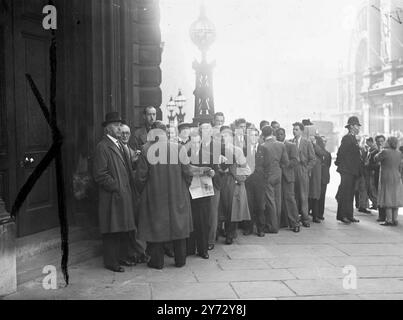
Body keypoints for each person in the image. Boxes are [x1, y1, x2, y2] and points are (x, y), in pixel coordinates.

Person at [135, 122, 194, 269]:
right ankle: (180, 260)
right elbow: (188, 173)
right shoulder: (179, 148)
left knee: (155, 227)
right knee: (179, 226)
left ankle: (157, 262)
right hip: (178, 193)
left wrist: (143, 192)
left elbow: (140, 177)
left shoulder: (146, 149)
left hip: (154, 194)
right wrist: (182, 188)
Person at [93, 112, 138, 272]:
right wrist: (117, 187)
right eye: (116, 125)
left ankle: (122, 257)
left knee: (121, 228)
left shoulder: (119, 144)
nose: (120, 128)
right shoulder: (103, 146)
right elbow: (100, 174)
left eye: (120, 125)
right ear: (107, 128)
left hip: (123, 195)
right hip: (112, 196)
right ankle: (111, 262)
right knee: (112, 229)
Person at [119, 124, 150, 264]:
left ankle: (139, 252)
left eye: (127, 133)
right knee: (129, 223)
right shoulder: (118, 148)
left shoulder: (130, 149)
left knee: (136, 222)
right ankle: (133, 252)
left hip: (134, 192)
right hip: (124, 191)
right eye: (123, 133)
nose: (125, 135)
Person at [220, 126, 251, 244]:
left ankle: (231, 233)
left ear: (232, 137)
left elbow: (246, 169)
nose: (224, 138)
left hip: (233, 181)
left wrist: (233, 170)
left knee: (233, 208)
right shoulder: (217, 149)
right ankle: (220, 231)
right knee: (223, 208)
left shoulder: (237, 150)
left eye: (226, 135)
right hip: (222, 181)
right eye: (222, 136)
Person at [256, 126, 289, 234]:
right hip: (278, 174)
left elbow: (259, 164)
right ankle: (277, 224)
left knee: (270, 201)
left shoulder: (263, 146)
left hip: (268, 175)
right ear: (272, 133)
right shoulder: (281, 144)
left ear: (263, 134)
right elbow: (285, 162)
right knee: (278, 200)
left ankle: (273, 227)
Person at [335, 116, 362, 224]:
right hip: (347, 170)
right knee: (345, 193)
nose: (358, 128)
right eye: (356, 126)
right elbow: (341, 153)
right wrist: (342, 166)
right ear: (351, 126)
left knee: (350, 193)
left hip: (352, 171)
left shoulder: (353, 138)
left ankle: (349, 215)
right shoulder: (347, 138)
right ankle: (342, 216)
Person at [276, 128, 300, 233]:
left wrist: (284, 166)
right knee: (279, 200)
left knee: (290, 199)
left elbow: (295, 160)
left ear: (285, 135)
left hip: (288, 177)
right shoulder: (275, 146)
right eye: (277, 135)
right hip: (277, 177)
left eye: (281, 134)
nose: (279, 136)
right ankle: (283, 222)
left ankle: (295, 223)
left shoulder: (291, 146)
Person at [375, 136, 403, 226]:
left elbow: (376, 158)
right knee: (395, 198)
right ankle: (395, 219)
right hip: (397, 177)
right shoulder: (399, 153)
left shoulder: (385, 152)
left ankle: (389, 220)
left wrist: (380, 150)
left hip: (386, 177)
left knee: (387, 197)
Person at [292, 122, 316, 228]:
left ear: (301, 130)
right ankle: (295, 217)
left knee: (303, 195)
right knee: (294, 195)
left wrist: (306, 170)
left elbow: (313, 159)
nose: (294, 131)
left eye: (296, 129)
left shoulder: (307, 142)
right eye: (293, 129)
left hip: (302, 169)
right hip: (293, 171)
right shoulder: (291, 142)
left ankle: (305, 218)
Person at [244, 127, 265, 236]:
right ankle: (249, 228)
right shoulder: (244, 150)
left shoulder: (263, 149)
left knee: (260, 205)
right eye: (251, 135)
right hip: (248, 181)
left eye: (255, 135)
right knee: (249, 205)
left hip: (260, 182)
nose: (253, 137)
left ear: (258, 136)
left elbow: (267, 166)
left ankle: (261, 229)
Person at [308, 135, 327, 223]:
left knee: (315, 195)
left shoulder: (319, 151)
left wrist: (314, 144)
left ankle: (315, 215)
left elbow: (322, 152)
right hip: (310, 175)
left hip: (315, 176)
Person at [369, 135, 386, 222]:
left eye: (382, 141)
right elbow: (369, 165)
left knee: (386, 196)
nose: (380, 143)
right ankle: (381, 215)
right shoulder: (373, 153)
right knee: (379, 196)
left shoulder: (387, 152)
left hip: (386, 177)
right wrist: (377, 165)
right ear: (376, 142)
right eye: (378, 141)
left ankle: (388, 215)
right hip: (377, 176)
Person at [318, 136, 331, 220]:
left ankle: (320, 213)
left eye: (325, 141)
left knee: (322, 196)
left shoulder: (327, 154)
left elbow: (328, 165)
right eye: (322, 141)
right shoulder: (318, 152)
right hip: (318, 177)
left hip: (324, 177)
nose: (324, 143)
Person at [364, 137, 378, 210]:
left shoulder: (374, 150)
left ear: (370, 142)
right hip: (369, 170)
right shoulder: (370, 149)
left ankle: (375, 203)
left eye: (367, 142)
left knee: (371, 188)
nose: (366, 144)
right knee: (370, 188)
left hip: (371, 171)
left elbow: (373, 161)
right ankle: (374, 203)